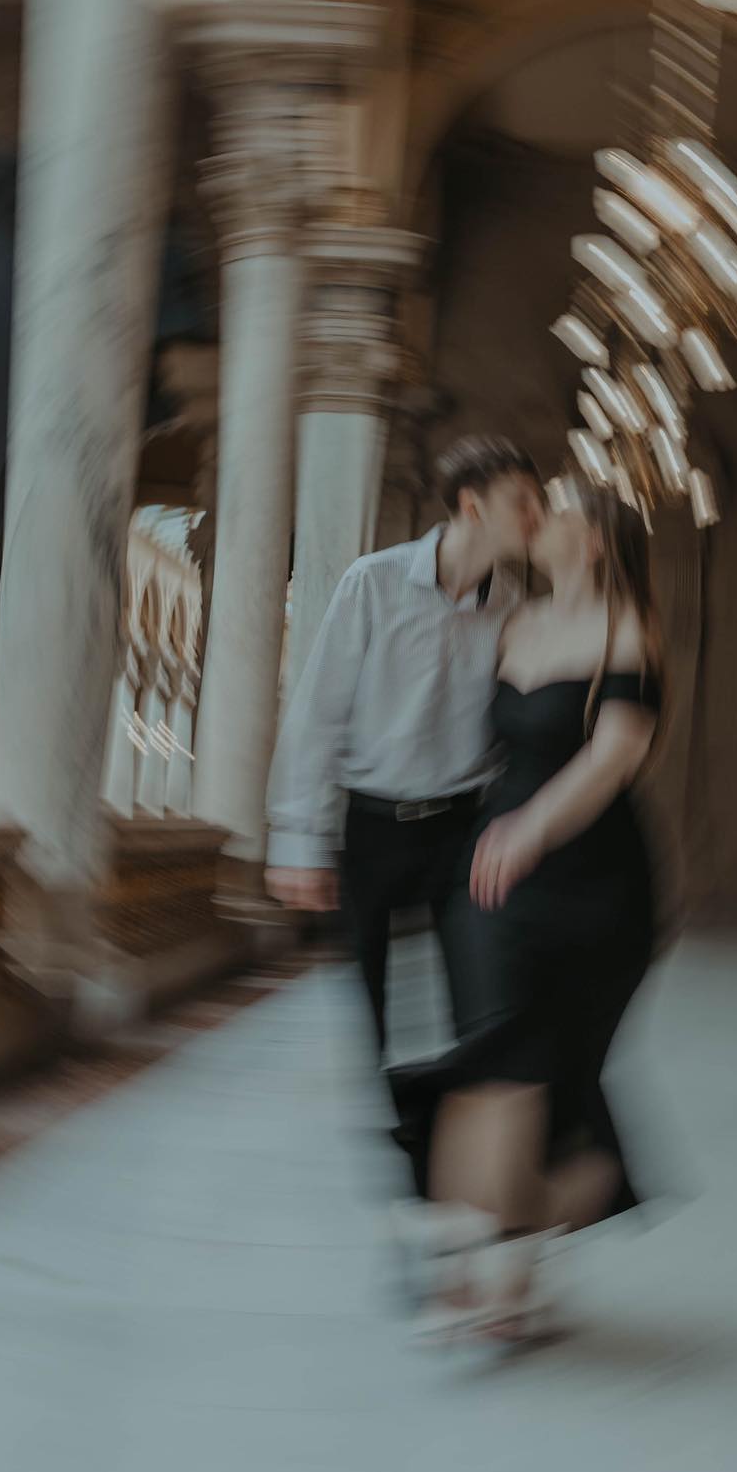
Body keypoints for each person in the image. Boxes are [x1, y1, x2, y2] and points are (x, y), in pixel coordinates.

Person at [390, 476, 665, 1345]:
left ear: (593, 541)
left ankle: (503, 1267)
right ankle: (476, 1260)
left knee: (536, 1064)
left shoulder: (630, 630)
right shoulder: (513, 621)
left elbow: (614, 757)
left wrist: (530, 830)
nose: (538, 519)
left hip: (592, 878)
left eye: (560, 511)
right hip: (493, 876)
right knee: (493, 1052)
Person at [264, 435, 544, 1194]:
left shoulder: (514, 606)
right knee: (380, 1018)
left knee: (470, 1000)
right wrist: (298, 841)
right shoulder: (373, 583)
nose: (538, 517)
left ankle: (450, 1170)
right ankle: (412, 1161)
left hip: (460, 829)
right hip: (370, 833)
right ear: (472, 505)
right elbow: (317, 716)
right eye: (525, 501)